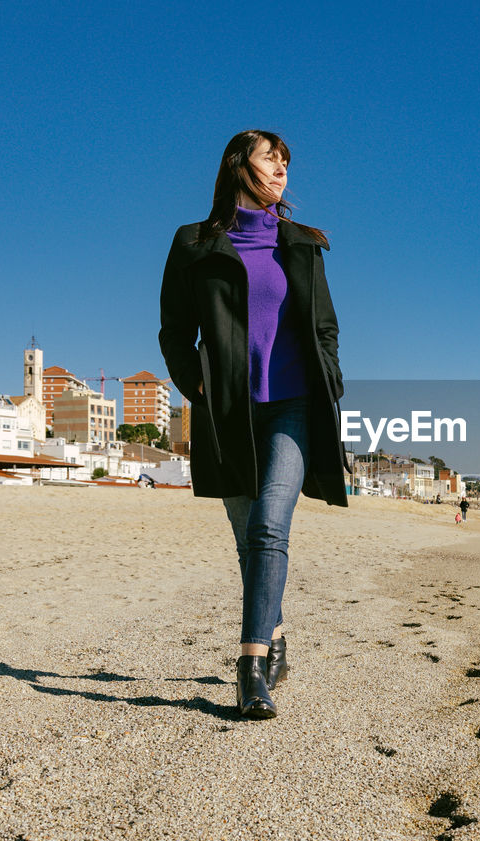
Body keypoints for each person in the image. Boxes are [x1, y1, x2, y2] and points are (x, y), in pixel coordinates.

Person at [159, 129, 348, 720]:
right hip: (228, 413)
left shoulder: (301, 243)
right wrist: (198, 387)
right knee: (249, 543)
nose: (283, 170)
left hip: (293, 404)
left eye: (289, 162)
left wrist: (331, 380)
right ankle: (277, 635)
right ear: (240, 165)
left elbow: (325, 326)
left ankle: (249, 668)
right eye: (273, 159)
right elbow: (174, 331)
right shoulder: (194, 242)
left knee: (269, 525)